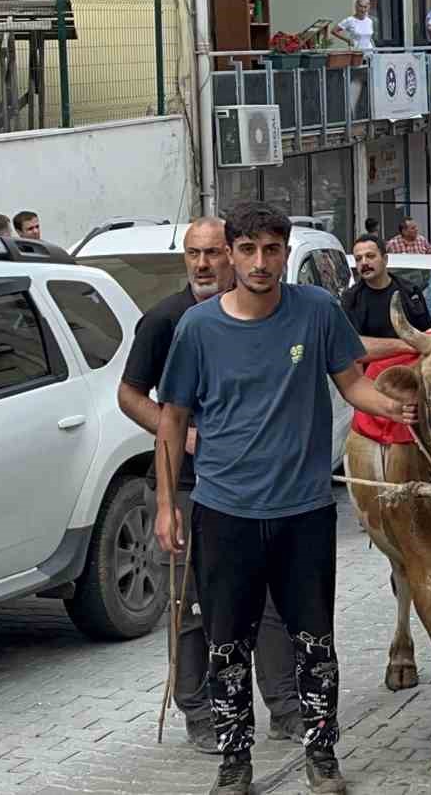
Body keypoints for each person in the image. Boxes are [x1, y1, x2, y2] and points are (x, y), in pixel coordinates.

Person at [153, 203, 415, 795]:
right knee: (226, 645)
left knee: (314, 640)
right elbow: (172, 421)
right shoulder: (197, 330)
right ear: (230, 253)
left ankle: (322, 755)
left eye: (272, 250)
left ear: (285, 253)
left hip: (304, 512)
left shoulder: (316, 312)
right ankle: (234, 764)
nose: (260, 262)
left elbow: (352, 383)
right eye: (247, 250)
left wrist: (398, 407)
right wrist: (169, 505)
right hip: (225, 513)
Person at [116, 217, 304, 755]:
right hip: (187, 486)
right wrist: (184, 434)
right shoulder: (167, 319)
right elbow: (129, 396)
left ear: (233, 256)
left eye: (213, 254)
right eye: (193, 254)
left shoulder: (267, 312)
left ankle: (285, 707)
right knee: (193, 605)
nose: (203, 264)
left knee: (270, 600)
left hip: (260, 487)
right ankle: (199, 712)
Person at [342, 234, 431, 359]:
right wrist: (405, 346)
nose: (364, 262)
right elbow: (352, 348)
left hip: (412, 371)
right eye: (358, 259)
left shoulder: (411, 292)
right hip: (373, 376)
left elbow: (428, 334)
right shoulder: (351, 299)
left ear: (385, 259)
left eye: (370, 256)